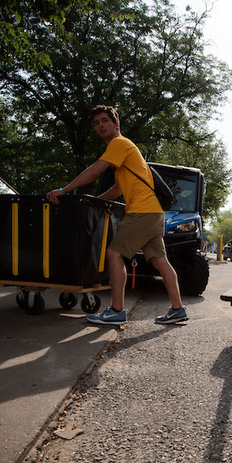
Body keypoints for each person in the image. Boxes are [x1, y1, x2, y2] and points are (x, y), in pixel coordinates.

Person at [46, 105, 187, 325]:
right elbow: (118, 189)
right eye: (97, 123)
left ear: (116, 124)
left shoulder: (119, 143)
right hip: (153, 213)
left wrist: (64, 190)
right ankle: (178, 309)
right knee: (160, 261)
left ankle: (117, 310)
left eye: (105, 121)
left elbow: (94, 171)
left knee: (114, 254)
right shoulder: (123, 150)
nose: (100, 126)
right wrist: (96, 201)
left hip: (142, 212)